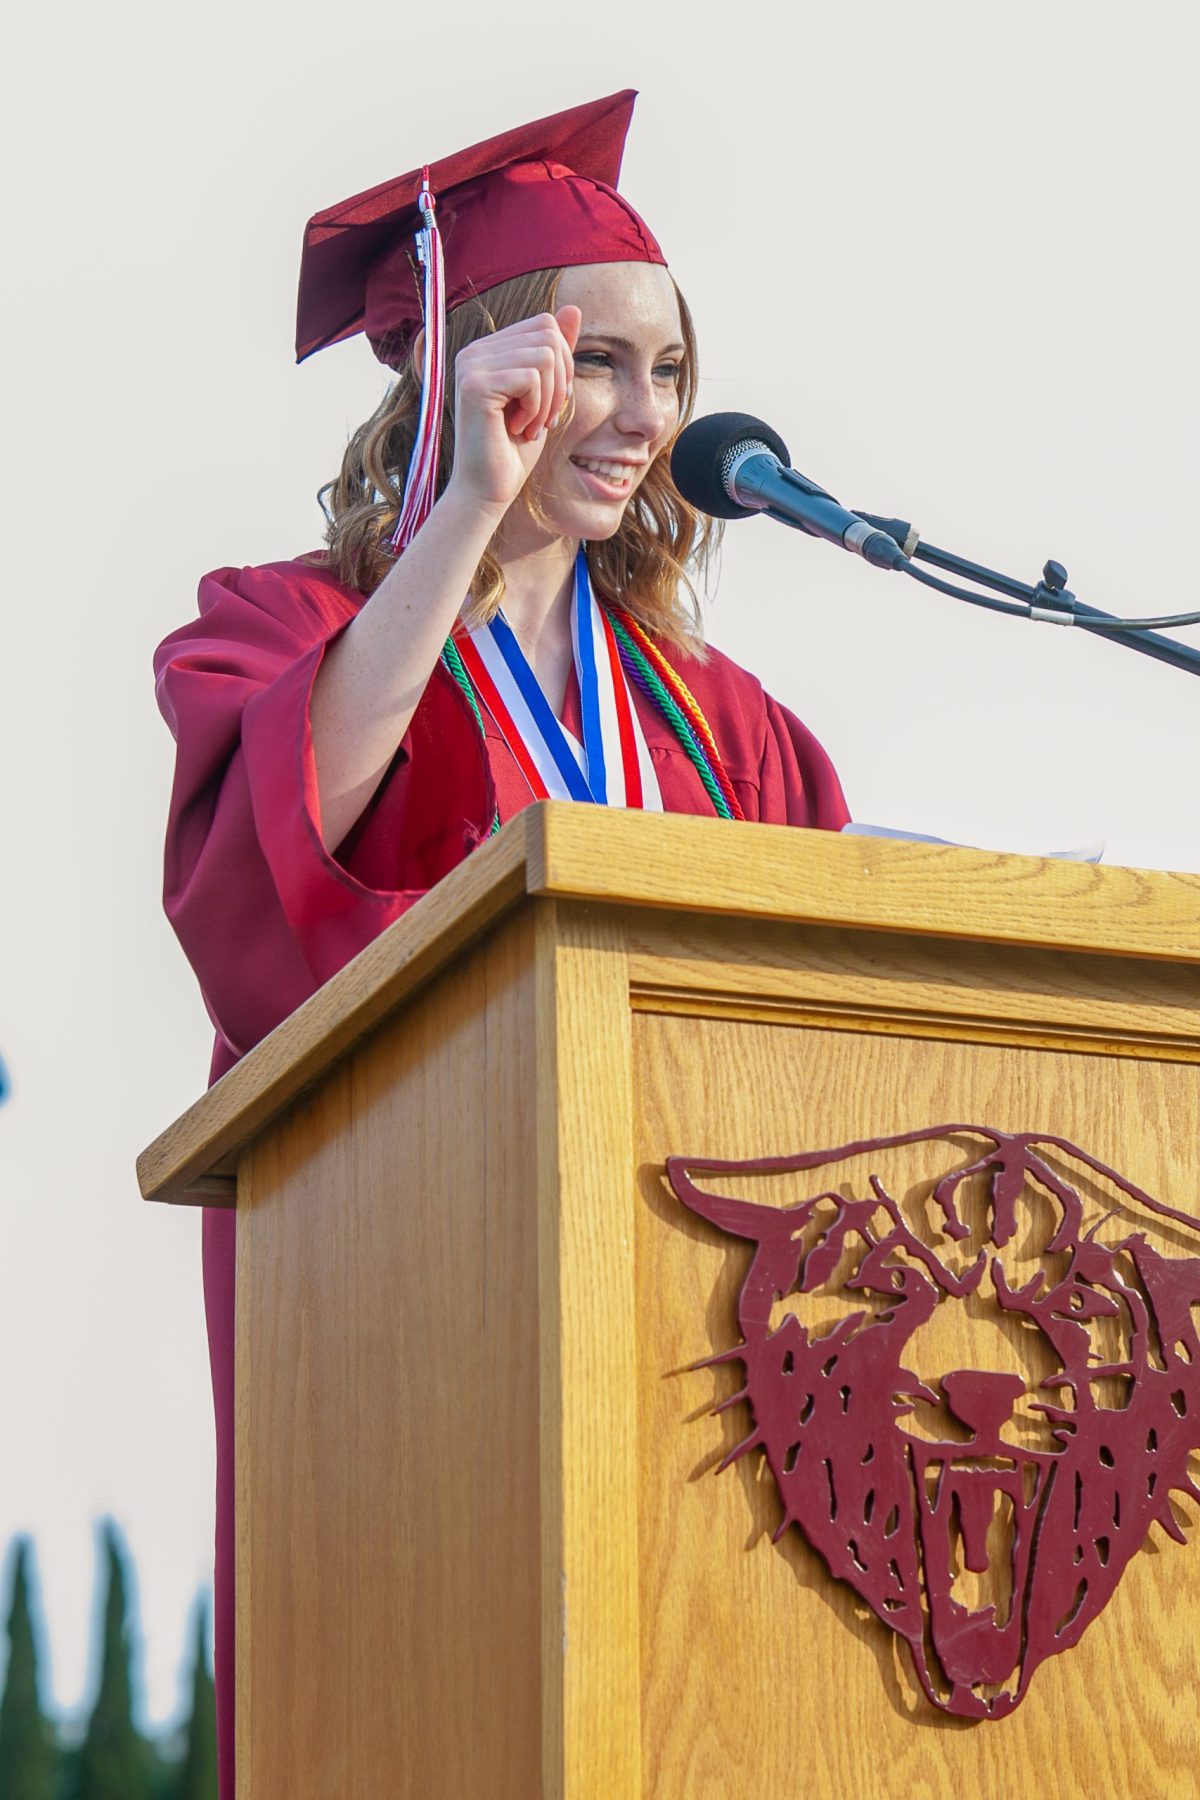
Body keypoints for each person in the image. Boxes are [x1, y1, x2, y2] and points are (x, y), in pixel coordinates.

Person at [154, 88, 848, 1797]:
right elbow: (272, 890)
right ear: (470, 366)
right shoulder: (281, 629)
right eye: (593, 361)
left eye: (668, 371)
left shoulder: (721, 723)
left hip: (696, 1338)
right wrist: (467, 505)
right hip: (408, 1302)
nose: (639, 415)